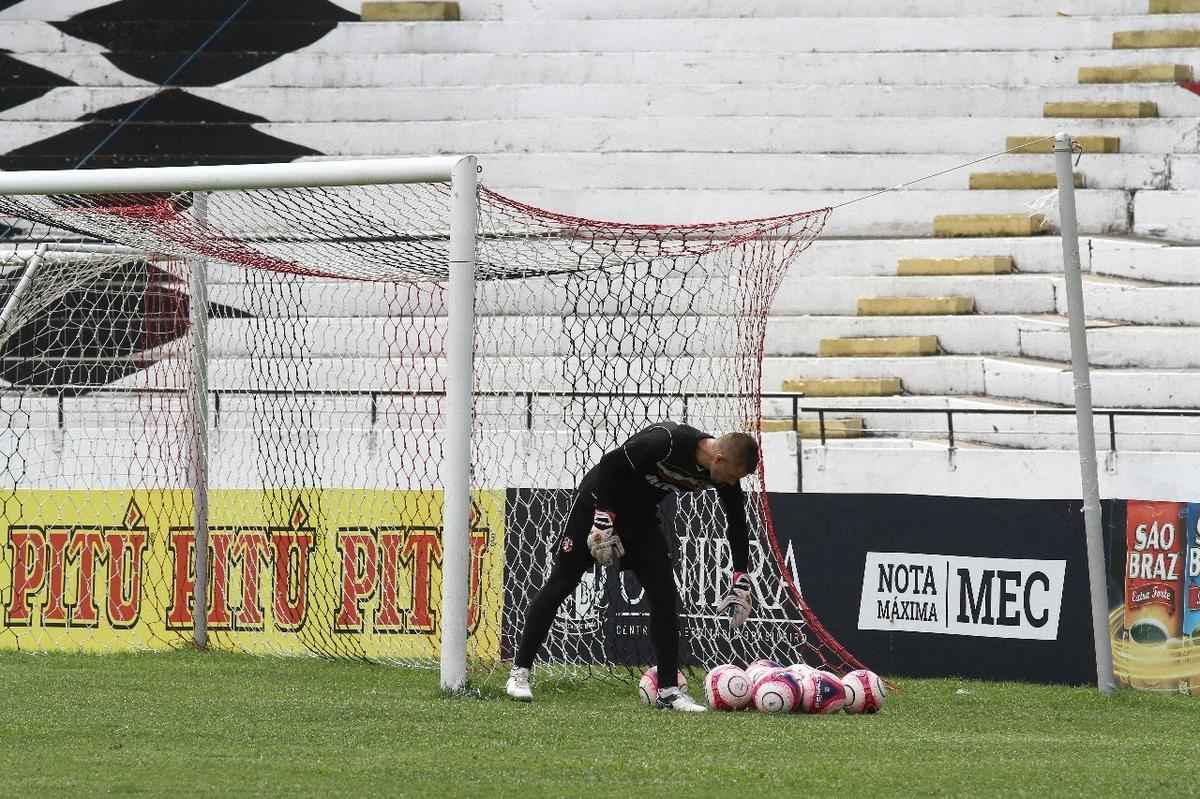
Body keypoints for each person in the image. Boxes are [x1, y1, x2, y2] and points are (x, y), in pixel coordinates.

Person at [506, 421, 759, 711]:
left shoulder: (724, 474)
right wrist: (602, 519)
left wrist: (741, 576)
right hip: (598, 504)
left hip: (640, 518)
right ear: (719, 458)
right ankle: (519, 672)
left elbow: (737, 522)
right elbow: (610, 464)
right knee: (563, 582)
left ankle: (668, 691)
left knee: (664, 596)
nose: (729, 482)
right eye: (729, 475)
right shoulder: (666, 442)